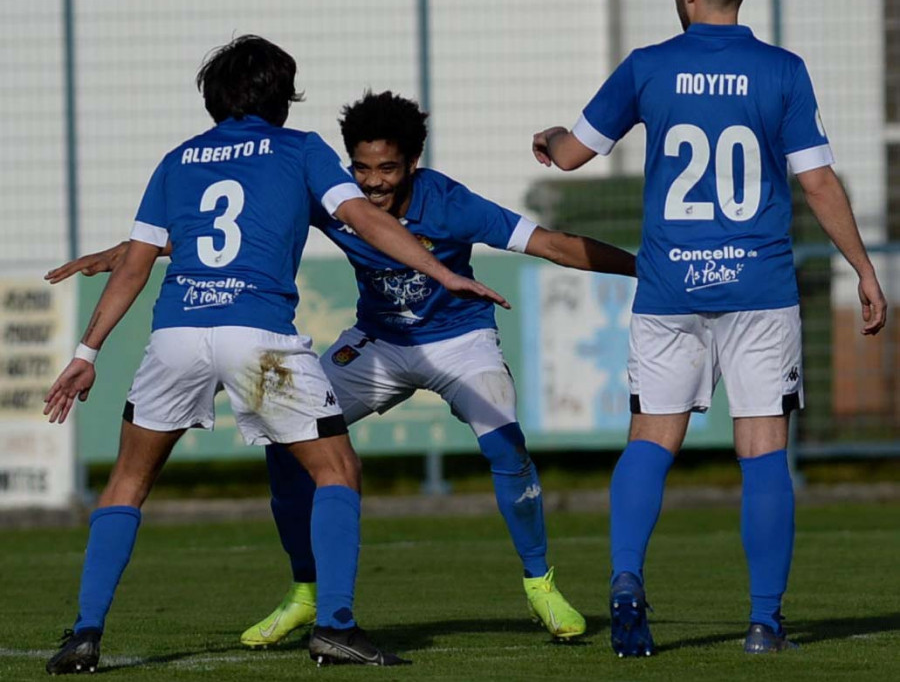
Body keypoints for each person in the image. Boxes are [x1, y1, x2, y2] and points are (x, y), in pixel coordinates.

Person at [47, 90, 637, 646]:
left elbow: (553, 244)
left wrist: (641, 268)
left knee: (506, 445)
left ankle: (540, 583)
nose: (374, 184)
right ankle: (305, 589)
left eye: (388, 170)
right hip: (376, 344)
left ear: (413, 162)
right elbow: (233, 228)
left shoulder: (452, 203)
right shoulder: (333, 195)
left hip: (460, 341)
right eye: (362, 169)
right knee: (289, 442)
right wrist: (117, 255)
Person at [42, 36, 509, 674]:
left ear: (215, 96)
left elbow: (136, 263)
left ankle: (84, 635)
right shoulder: (301, 149)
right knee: (336, 471)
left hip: (176, 335)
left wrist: (86, 350)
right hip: (257, 340)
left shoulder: (177, 160)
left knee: (127, 480)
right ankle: (336, 627)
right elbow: (367, 221)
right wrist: (441, 271)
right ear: (283, 97)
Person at [531, 0, 886, 658]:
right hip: (759, 288)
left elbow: (572, 156)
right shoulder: (783, 70)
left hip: (670, 290)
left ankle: (627, 578)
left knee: (650, 442)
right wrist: (864, 270)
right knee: (762, 452)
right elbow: (816, 183)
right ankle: (763, 624)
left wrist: (550, 139)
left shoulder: (647, 66)